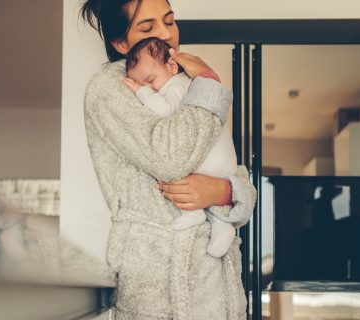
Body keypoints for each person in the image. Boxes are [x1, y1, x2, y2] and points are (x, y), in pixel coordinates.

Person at [79, 0, 257, 319]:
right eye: (147, 28)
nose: (166, 34)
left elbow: (234, 172)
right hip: (160, 287)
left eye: (170, 21)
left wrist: (226, 192)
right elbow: (170, 158)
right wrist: (209, 82)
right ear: (120, 42)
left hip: (218, 285)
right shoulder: (111, 87)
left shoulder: (186, 80)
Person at [123, 37, 238, 258]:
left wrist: (140, 91)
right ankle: (222, 225)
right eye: (142, 83)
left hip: (210, 160)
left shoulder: (179, 83)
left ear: (172, 66)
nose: (150, 88)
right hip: (222, 163)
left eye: (150, 80)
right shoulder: (175, 82)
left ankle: (194, 214)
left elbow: (165, 110)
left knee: (171, 167)